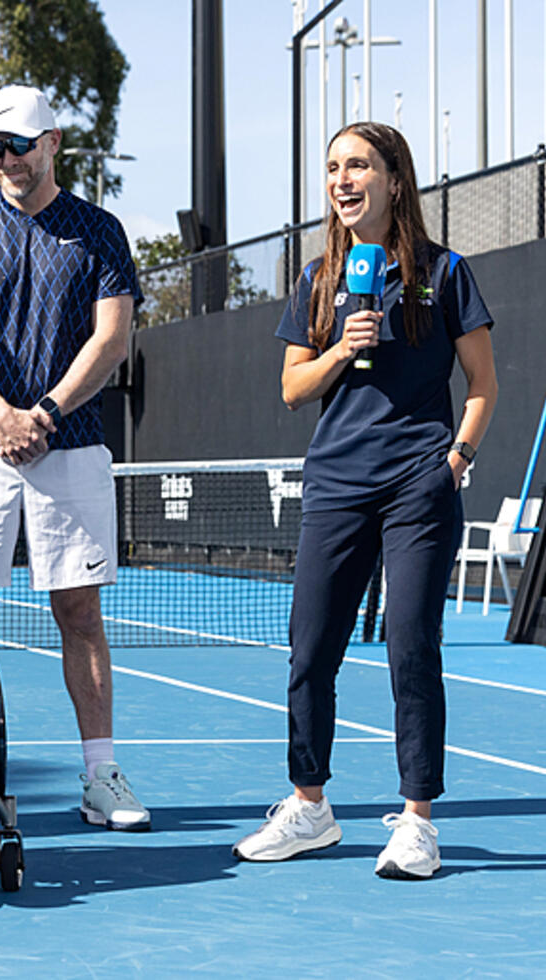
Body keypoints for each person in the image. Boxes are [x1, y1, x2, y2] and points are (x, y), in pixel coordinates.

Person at [232, 122, 498, 880]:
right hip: (335, 487)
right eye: (331, 169)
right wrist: (341, 348)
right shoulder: (318, 280)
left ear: (393, 179)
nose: (341, 180)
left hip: (418, 482)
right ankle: (309, 807)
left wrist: (455, 459)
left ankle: (416, 823)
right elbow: (289, 389)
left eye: (357, 166)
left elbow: (481, 385)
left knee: (411, 650)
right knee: (310, 651)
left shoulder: (445, 273)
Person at [0, 84, 150, 831]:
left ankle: (99, 774)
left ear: (53, 142)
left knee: (78, 611)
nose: (7, 159)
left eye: (19, 144)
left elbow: (110, 339)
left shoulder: (97, 230)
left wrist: (44, 414)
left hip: (71, 445)